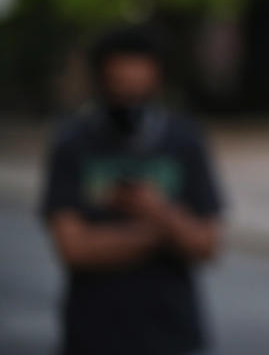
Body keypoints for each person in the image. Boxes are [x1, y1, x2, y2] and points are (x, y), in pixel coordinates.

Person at [40, 25, 224, 355]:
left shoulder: (184, 140)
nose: (131, 102)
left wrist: (156, 212)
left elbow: (207, 244)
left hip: (172, 336)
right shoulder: (73, 142)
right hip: (92, 335)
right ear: (100, 83)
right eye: (120, 89)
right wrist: (164, 230)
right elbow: (74, 249)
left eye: (141, 90)